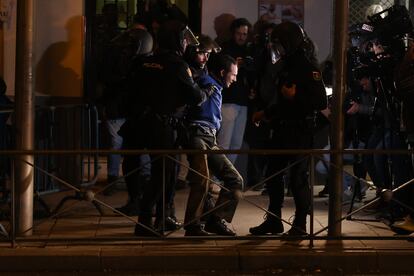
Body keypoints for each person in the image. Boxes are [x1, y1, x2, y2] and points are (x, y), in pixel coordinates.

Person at [124, 19, 209, 236]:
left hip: (141, 124)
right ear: (178, 41)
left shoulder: (145, 61)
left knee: (162, 173)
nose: (186, 44)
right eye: (183, 40)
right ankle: (144, 222)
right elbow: (195, 97)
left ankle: (162, 218)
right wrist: (207, 90)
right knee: (163, 174)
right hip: (162, 128)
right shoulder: (178, 65)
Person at [249, 22, 327, 236]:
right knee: (273, 176)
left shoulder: (307, 67)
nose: (277, 48)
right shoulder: (285, 64)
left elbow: (320, 101)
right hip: (282, 129)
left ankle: (300, 224)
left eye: (279, 43)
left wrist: (296, 97)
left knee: (298, 178)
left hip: (300, 131)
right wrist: (266, 114)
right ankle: (274, 220)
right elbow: (282, 103)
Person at [183, 41, 243, 236]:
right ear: (222, 71)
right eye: (232, 74)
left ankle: (215, 221)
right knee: (202, 180)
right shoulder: (207, 82)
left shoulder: (215, 85)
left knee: (235, 180)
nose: (234, 79)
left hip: (209, 138)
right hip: (198, 135)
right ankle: (192, 226)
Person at [101, 15, 152, 197]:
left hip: (134, 109)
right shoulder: (115, 54)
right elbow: (107, 77)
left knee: (140, 145)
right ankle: (113, 177)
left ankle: (144, 178)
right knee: (116, 143)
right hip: (118, 106)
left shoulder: (146, 59)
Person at [218, 18, 256, 165]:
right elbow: (220, 71)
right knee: (224, 143)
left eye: (244, 34)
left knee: (236, 144)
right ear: (233, 33)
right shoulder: (225, 48)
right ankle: (216, 179)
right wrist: (234, 64)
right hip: (228, 100)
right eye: (239, 33)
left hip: (243, 101)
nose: (241, 37)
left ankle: (227, 176)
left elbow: (252, 72)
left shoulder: (249, 50)